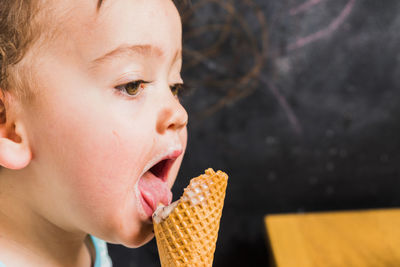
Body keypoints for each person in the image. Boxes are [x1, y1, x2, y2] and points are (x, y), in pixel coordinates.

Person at [0, 0, 188, 266]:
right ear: (8, 125)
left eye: (175, 86)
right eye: (132, 85)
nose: (180, 114)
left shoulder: (86, 241)